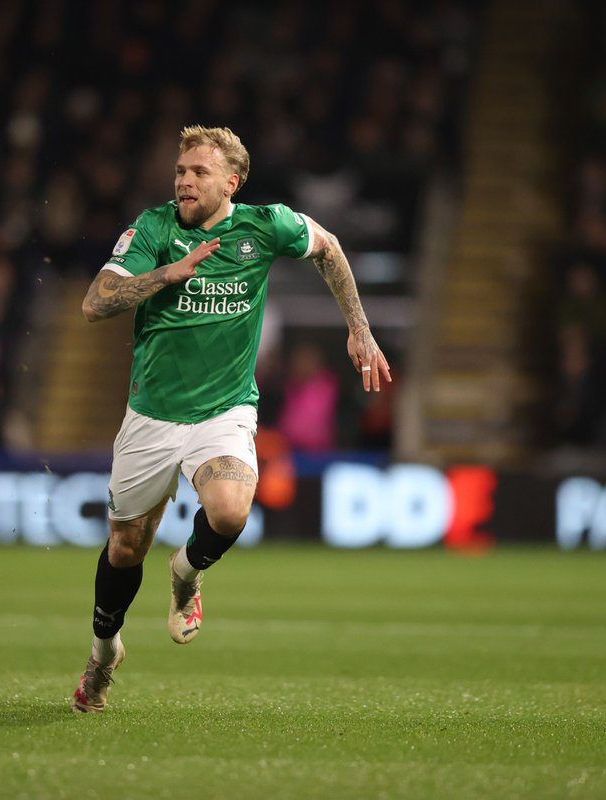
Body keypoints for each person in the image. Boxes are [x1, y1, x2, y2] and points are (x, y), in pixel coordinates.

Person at [71, 126, 392, 712]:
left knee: (229, 508)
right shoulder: (153, 228)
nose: (185, 181)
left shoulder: (265, 225)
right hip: (151, 415)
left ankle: (187, 573)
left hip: (223, 410)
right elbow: (96, 302)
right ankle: (103, 653)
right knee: (123, 550)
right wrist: (164, 275)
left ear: (231, 182)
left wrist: (359, 328)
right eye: (180, 172)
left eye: (198, 173)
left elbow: (330, 248)